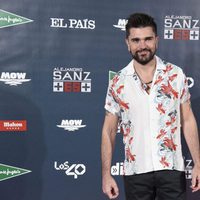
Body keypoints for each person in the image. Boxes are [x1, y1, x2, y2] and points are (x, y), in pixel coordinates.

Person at [101, 13, 200, 200]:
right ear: (127, 43)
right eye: (136, 40)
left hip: (171, 169)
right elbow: (109, 130)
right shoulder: (117, 82)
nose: (142, 46)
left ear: (157, 40)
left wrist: (198, 164)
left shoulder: (175, 74)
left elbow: (187, 120)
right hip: (136, 171)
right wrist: (106, 175)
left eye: (148, 39)